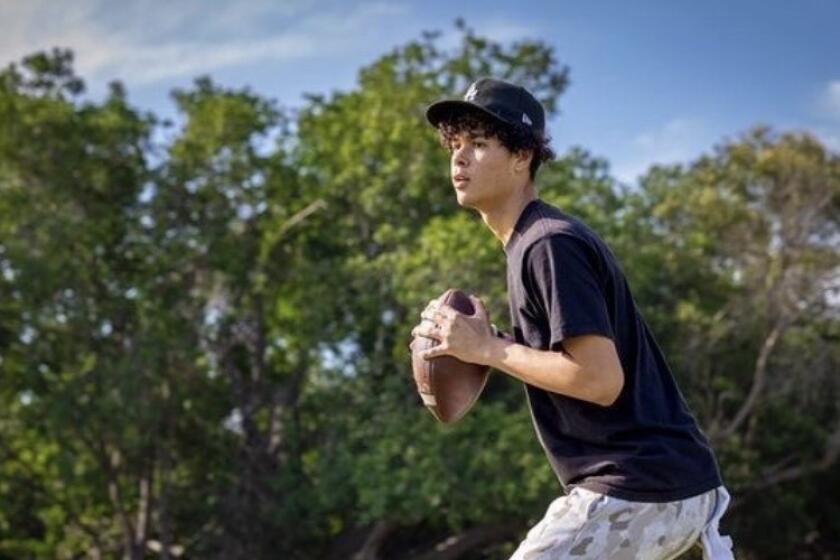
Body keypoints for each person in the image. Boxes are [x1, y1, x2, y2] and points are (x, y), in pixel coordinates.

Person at [410, 77, 735, 560]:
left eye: (479, 144)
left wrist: (489, 350)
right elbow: (567, 363)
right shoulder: (531, 243)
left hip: (642, 484)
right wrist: (479, 341)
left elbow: (600, 380)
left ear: (522, 157)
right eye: (456, 145)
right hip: (666, 486)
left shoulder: (547, 244)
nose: (459, 158)